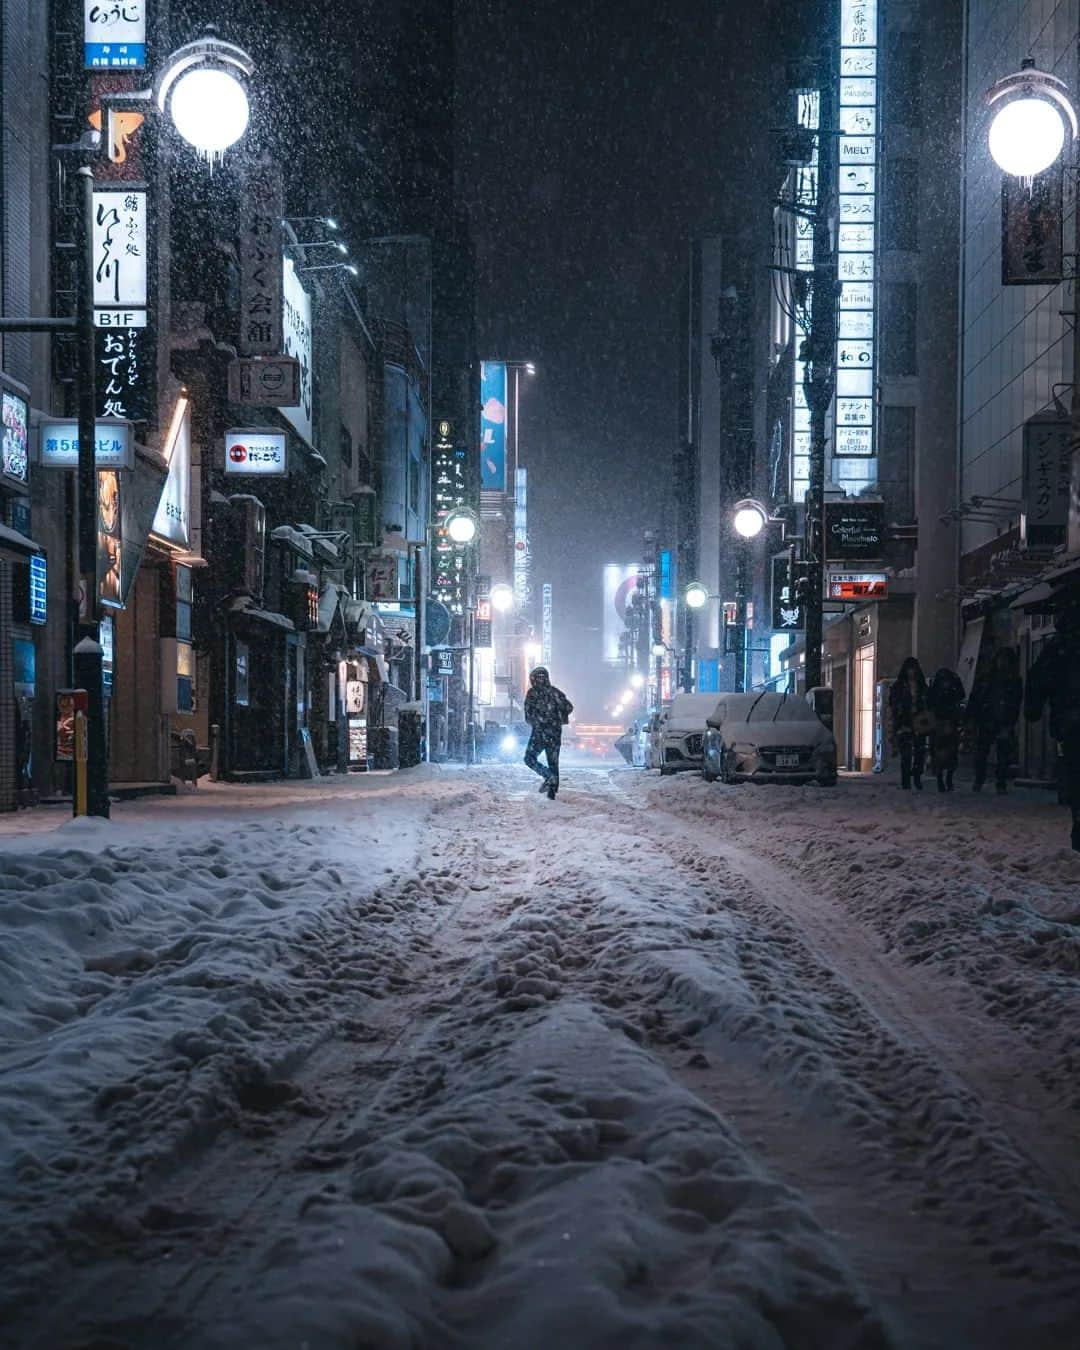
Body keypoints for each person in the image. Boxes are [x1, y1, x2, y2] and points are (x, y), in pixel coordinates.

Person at [1024, 604, 1080, 851]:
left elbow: (1038, 681)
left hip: (1070, 721)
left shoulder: (1059, 648)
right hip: (1070, 719)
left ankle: (1078, 824)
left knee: (1075, 772)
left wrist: (1033, 709)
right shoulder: (1060, 649)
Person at [967, 647, 1022, 793]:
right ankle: (980, 779)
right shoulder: (986, 678)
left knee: (1002, 754)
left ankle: (1000, 782)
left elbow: (1015, 703)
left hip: (1003, 720)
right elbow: (975, 698)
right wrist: (973, 716)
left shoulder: (1013, 681)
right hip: (986, 719)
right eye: (1001, 659)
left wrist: (1010, 722)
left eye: (1006, 660)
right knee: (982, 752)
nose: (1002, 663)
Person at [523, 666, 573, 799]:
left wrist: (538, 721)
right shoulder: (555, 692)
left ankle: (548, 776)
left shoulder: (532, 694)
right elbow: (569, 707)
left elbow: (528, 716)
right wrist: (557, 717)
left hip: (539, 733)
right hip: (555, 733)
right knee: (553, 762)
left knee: (529, 758)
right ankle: (552, 792)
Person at [889, 657, 930, 790]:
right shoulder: (900, 686)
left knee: (919, 753)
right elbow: (893, 704)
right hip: (905, 722)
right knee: (906, 754)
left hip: (918, 721)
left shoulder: (921, 686)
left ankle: (916, 777)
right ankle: (906, 781)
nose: (911, 672)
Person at [927, 667, 965, 793]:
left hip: (943, 721)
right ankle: (944, 778)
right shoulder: (949, 688)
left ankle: (943, 778)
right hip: (944, 721)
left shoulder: (937, 689)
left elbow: (929, 702)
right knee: (947, 752)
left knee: (943, 752)